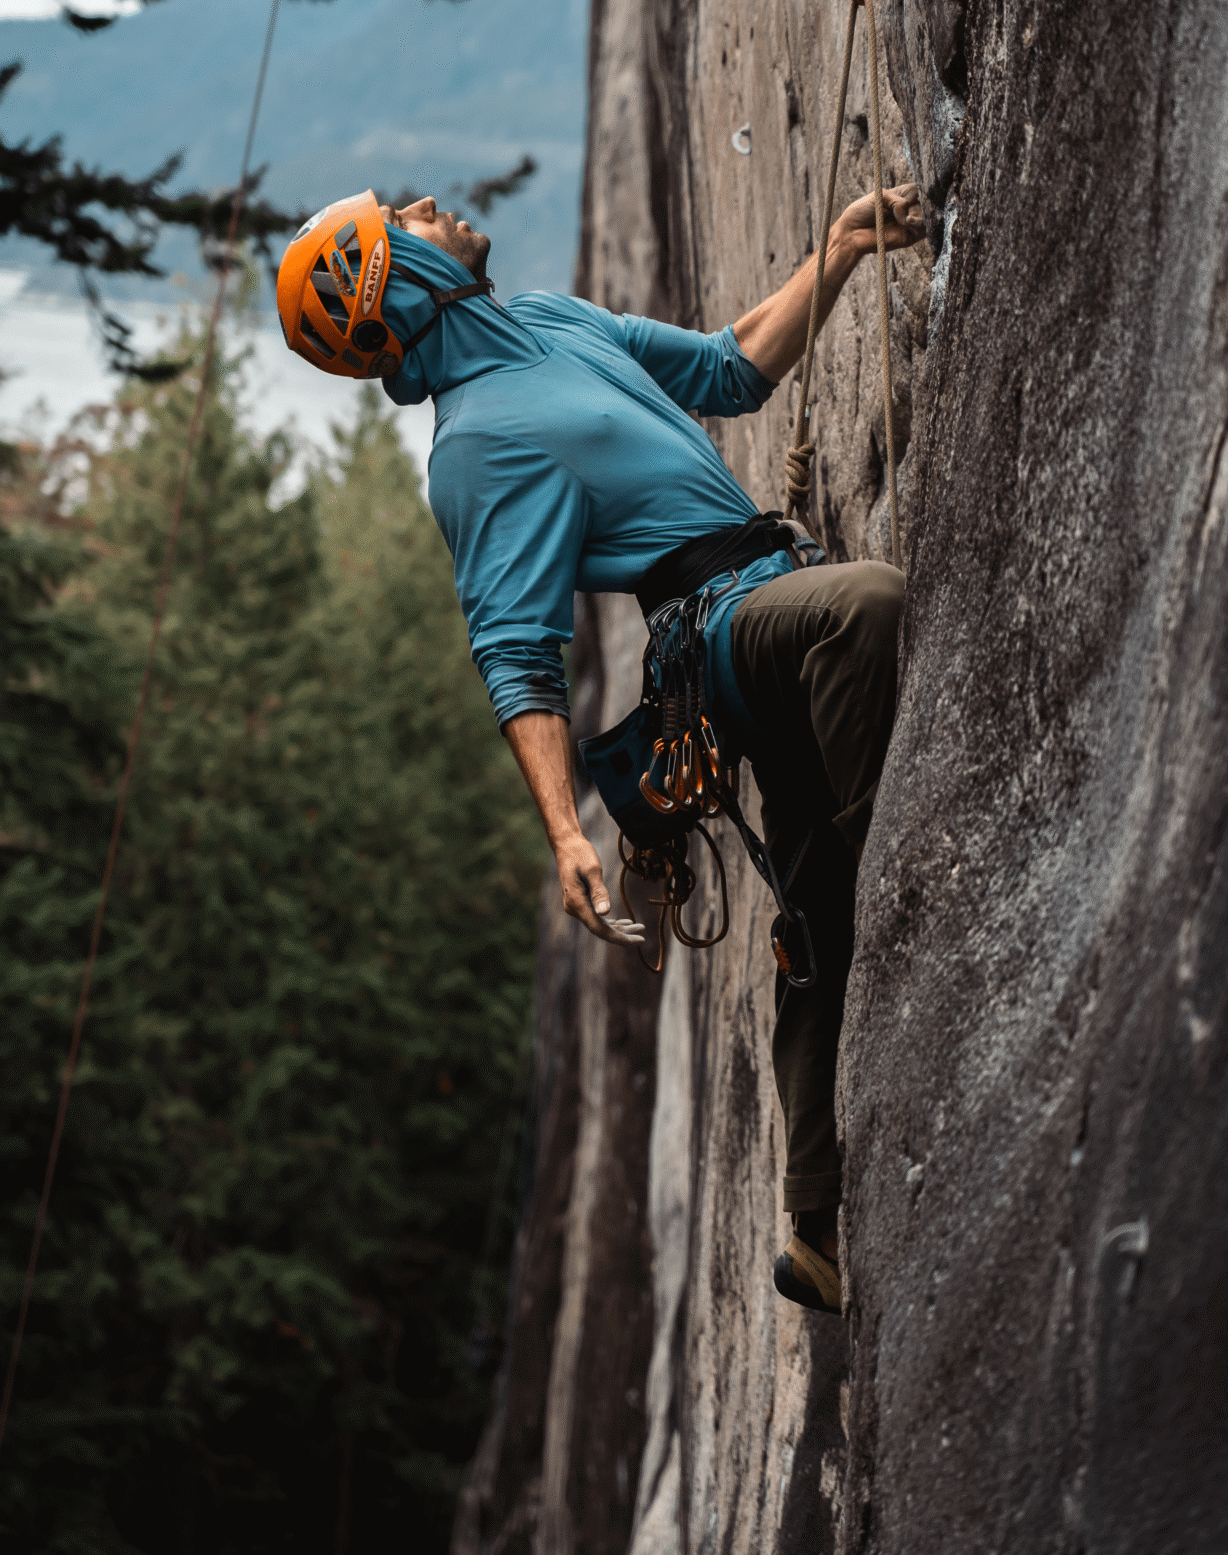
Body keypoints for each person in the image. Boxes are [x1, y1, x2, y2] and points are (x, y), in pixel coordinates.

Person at [276, 180, 925, 1312]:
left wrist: (839, 249)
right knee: (860, 606)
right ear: (400, 278)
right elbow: (515, 648)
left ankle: (812, 1222)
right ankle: (928, 887)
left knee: (818, 899)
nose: (434, 202)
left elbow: (729, 369)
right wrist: (564, 829)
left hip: (753, 591)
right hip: (713, 632)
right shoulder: (475, 446)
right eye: (410, 218)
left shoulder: (553, 323)